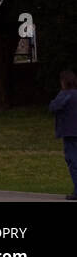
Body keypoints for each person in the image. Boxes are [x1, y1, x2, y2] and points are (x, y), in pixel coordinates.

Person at [50, 70, 77, 201]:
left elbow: (54, 107)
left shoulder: (65, 95)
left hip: (70, 133)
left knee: (72, 160)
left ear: (64, 82)